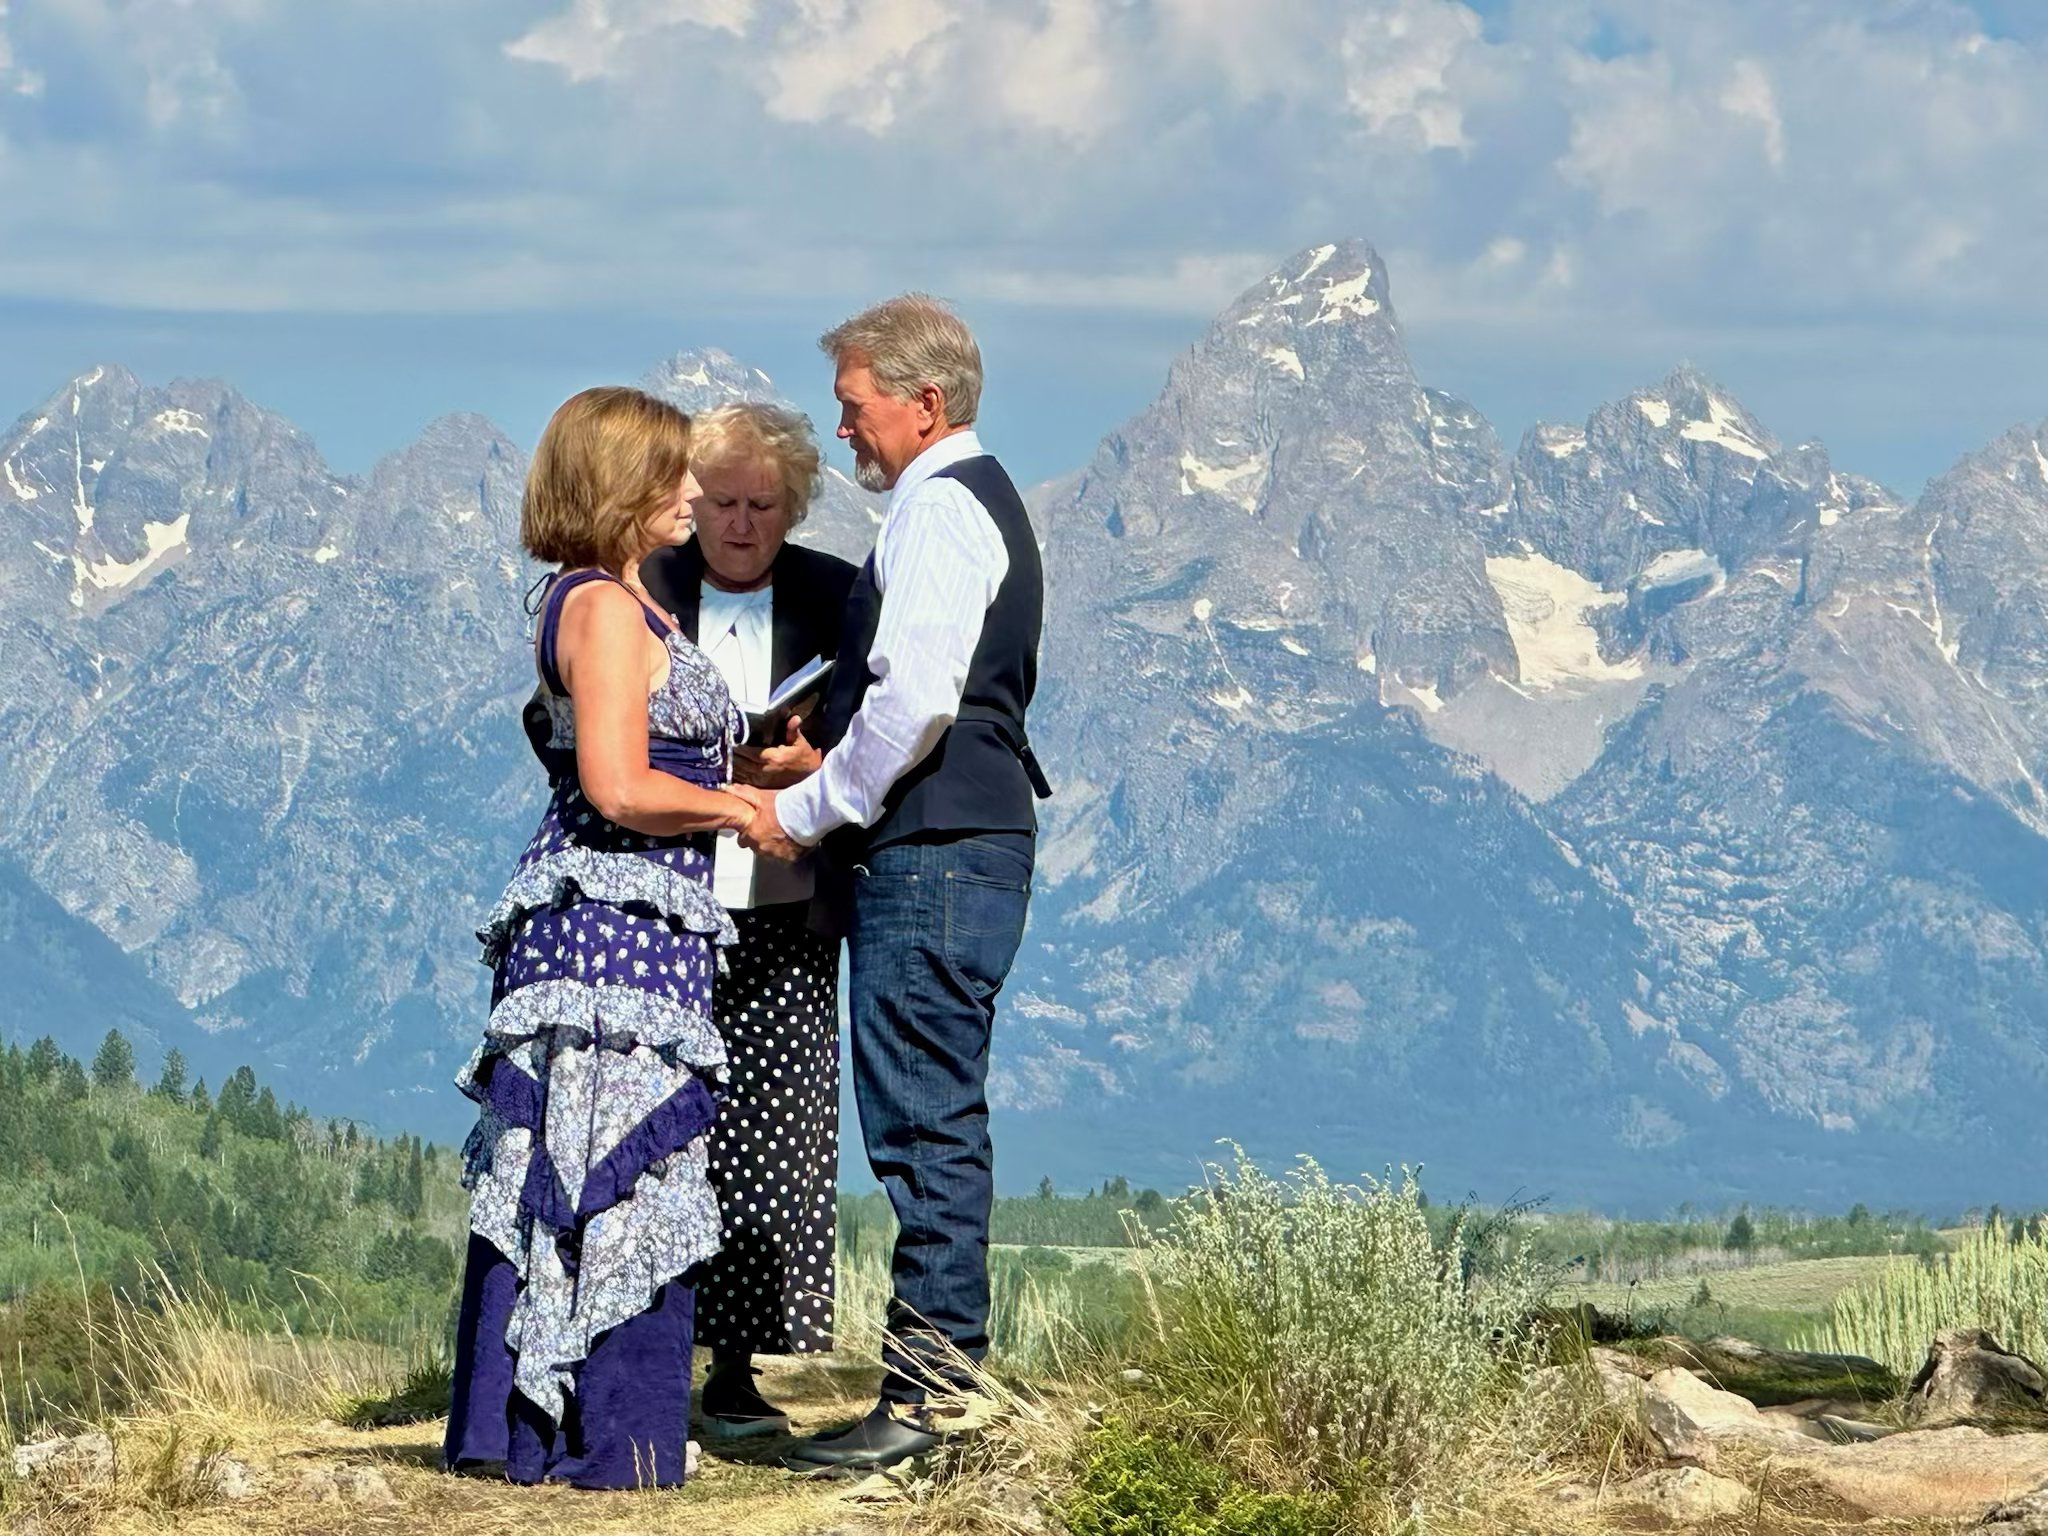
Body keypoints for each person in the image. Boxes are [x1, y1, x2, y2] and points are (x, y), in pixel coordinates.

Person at [737, 295, 1051, 1472]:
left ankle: (925, 1401)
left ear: (923, 405)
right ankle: (935, 1381)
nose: (844, 432)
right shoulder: (972, 503)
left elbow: (917, 700)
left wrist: (806, 807)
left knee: (921, 1120)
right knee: (932, 1113)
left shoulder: (937, 516)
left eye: (854, 407)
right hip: (962, 840)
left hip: (929, 852)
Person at [444, 386, 757, 1490]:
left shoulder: (623, 603)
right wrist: (735, 811)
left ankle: (575, 1420)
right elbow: (619, 784)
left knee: (609, 1164)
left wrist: (748, 771)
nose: (691, 493)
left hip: (642, 930)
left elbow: (657, 756)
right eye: (671, 475)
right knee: (600, 1166)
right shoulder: (604, 610)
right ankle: (593, 1432)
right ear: (621, 486)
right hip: (606, 937)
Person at [637, 402, 859, 1438]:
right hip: (665, 893)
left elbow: (871, 725)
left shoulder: (836, 593)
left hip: (781, 900)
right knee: (658, 1125)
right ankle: (640, 1344)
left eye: (760, 505)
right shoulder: (645, 586)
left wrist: (815, 765)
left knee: (772, 1134)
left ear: (794, 504)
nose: (737, 524)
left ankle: (737, 1361)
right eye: (719, 503)